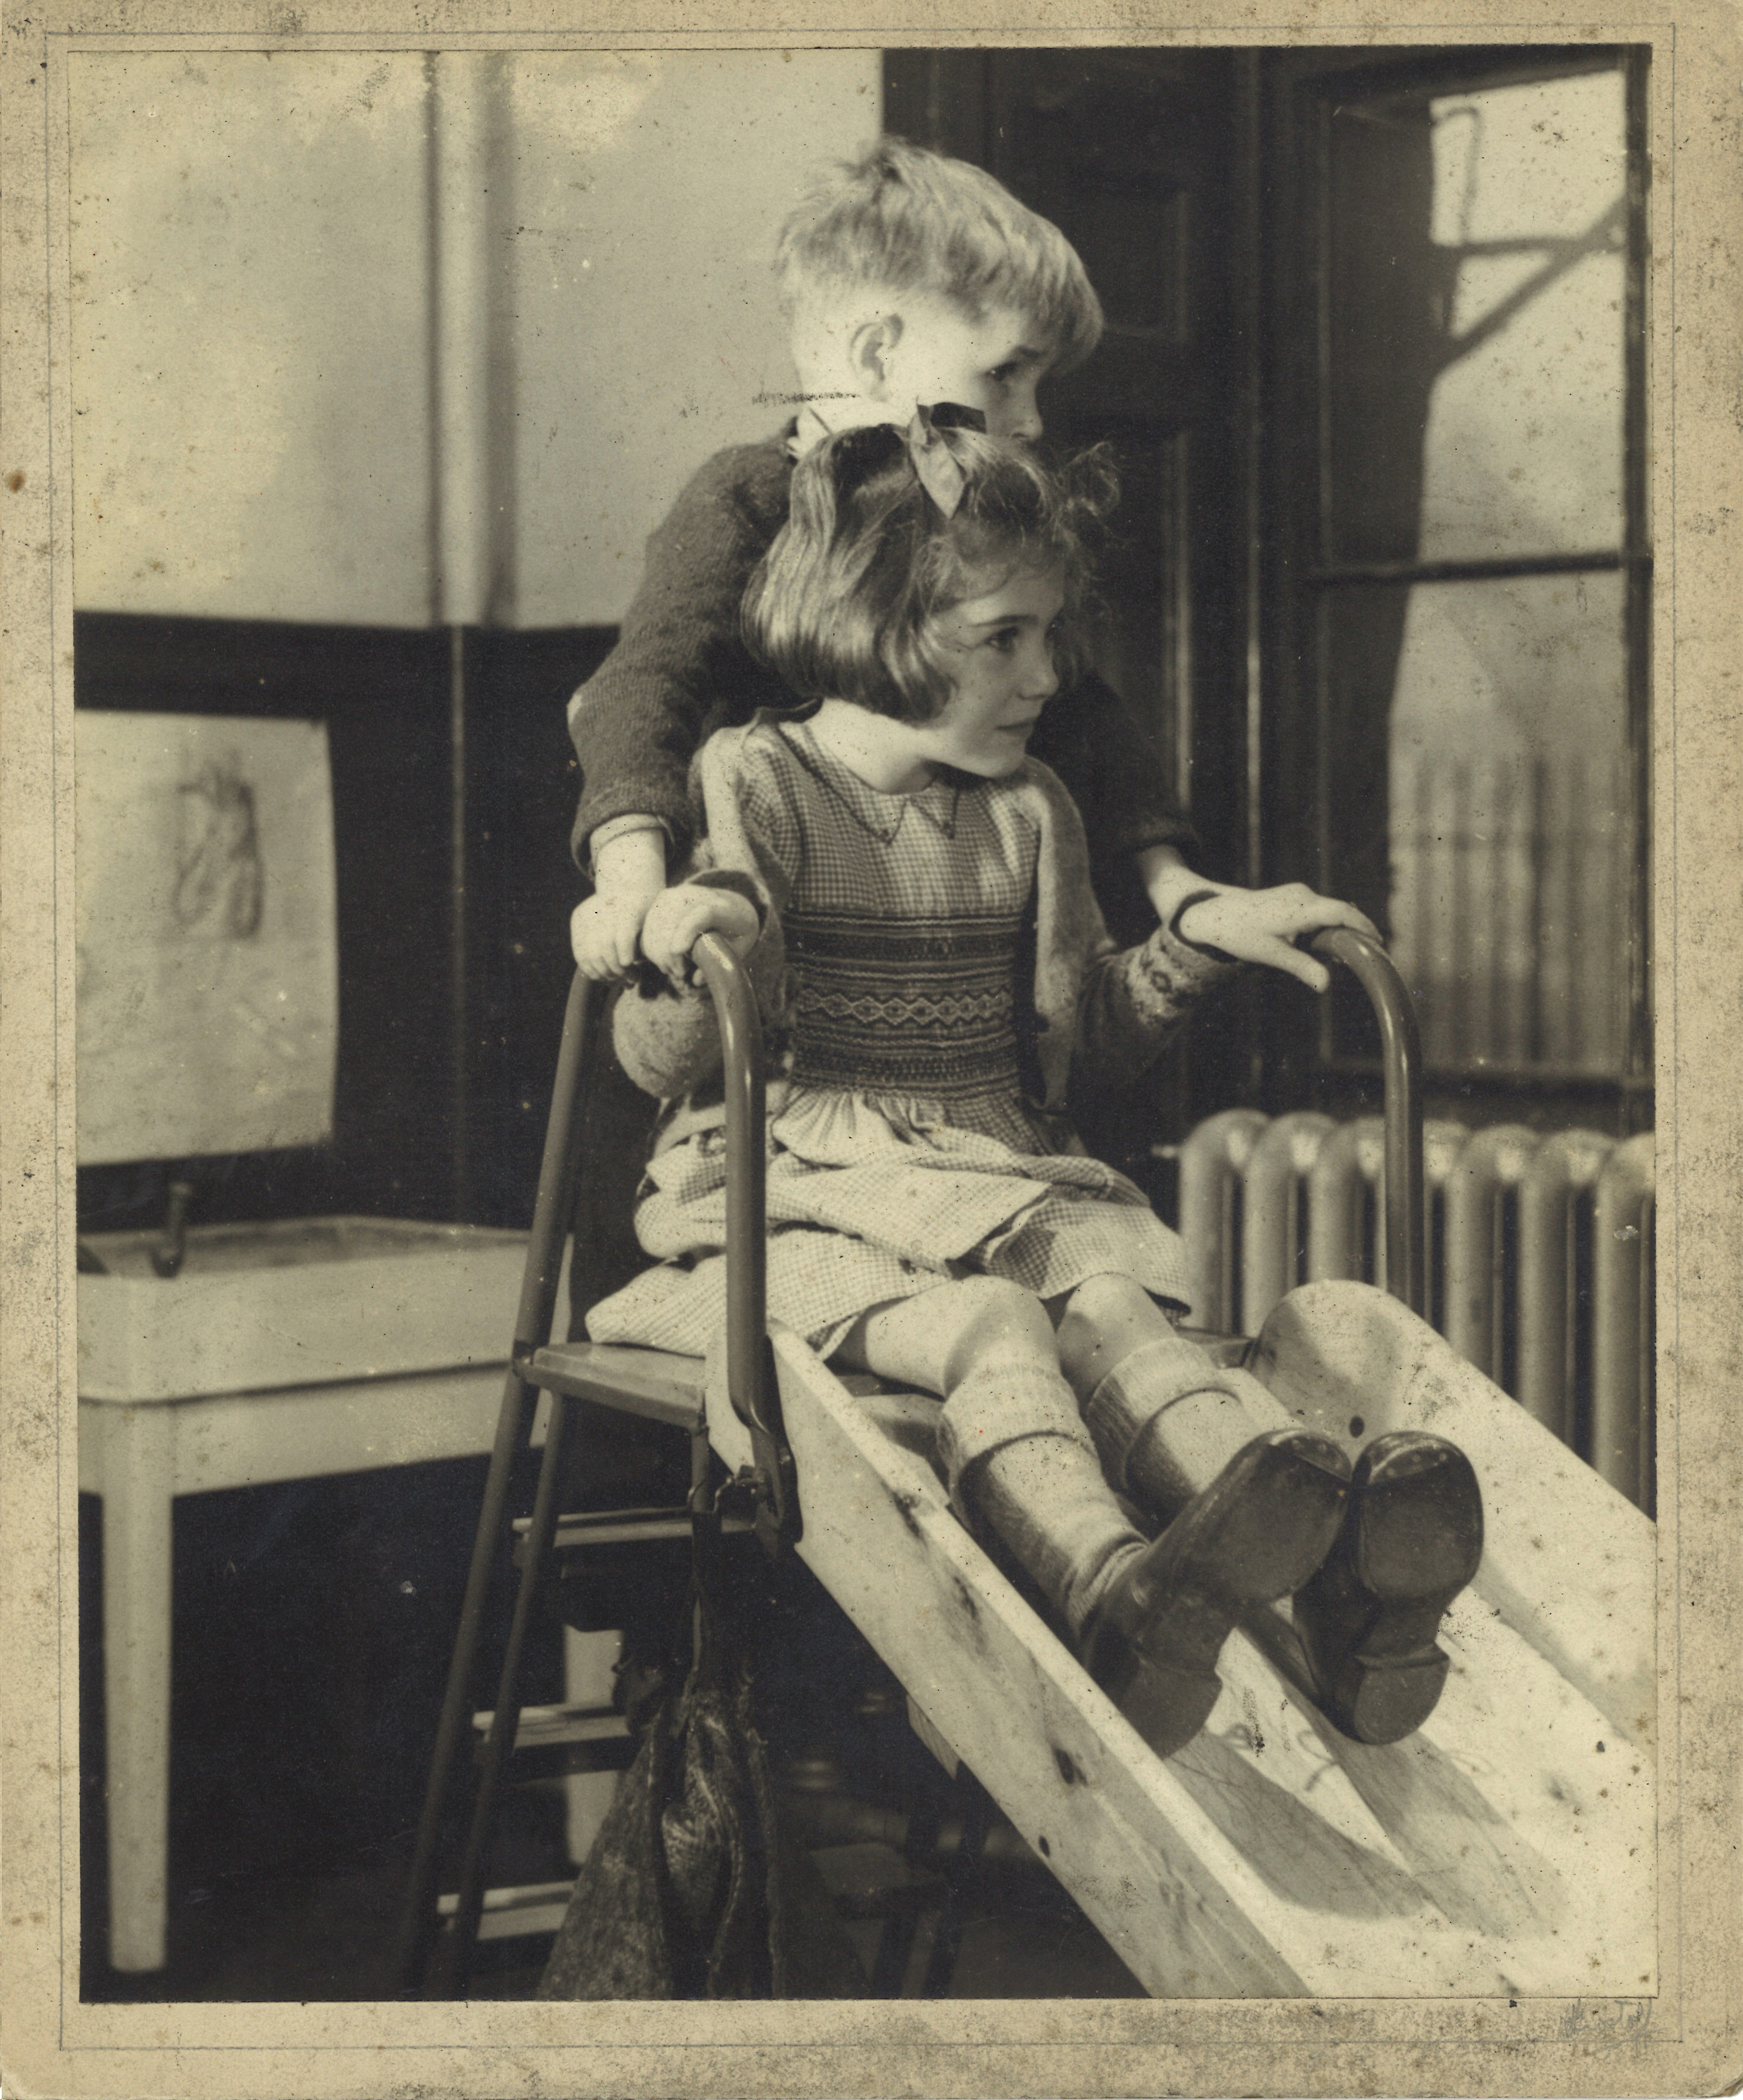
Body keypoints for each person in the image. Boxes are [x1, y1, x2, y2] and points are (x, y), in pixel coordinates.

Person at [586, 416, 1483, 1759]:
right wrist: (682, 945)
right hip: (784, 1201)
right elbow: (667, 1057)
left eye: (1050, 636)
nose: (1046, 673)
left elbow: (1075, 1051)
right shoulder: (753, 783)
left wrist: (1189, 948)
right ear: (879, 626)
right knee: (996, 1324)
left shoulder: (1029, 811)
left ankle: (1333, 1602)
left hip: (991, 1173)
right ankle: (1112, 1598)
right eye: (1004, 636)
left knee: (1118, 1302)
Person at [567, 137, 1356, 995]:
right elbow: (643, 685)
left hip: (942, 919)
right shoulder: (751, 497)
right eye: (1006, 373)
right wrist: (632, 881)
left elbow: (1084, 711)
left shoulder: (977, 518)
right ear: (875, 356)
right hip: (756, 937)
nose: (1028, 420)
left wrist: (1178, 886)